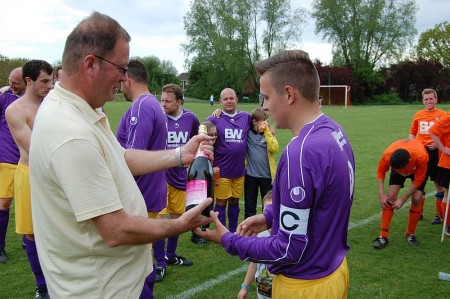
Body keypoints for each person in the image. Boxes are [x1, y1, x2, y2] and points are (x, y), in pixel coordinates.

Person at [28, 12, 213, 299]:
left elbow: (121, 157)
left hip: (120, 280)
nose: (125, 78)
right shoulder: (70, 131)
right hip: (105, 289)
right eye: (120, 67)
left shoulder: (82, 109)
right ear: (91, 64)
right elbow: (115, 230)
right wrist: (178, 224)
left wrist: (181, 155)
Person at [197, 50, 355, 298]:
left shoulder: (300, 151)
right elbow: (318, 203)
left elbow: (288, 248)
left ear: (289, 94)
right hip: (334, 271)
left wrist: (228, 239)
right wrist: (270, 216)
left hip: (304, 285)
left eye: (266, 97)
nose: (264, 106)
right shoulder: (335, 131)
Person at [116, 59, 168, 285]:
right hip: (151, 189)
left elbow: (134, 157)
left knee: (136, 265)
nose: (119, 86)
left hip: (140, 194)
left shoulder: (141, 106)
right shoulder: (152, 103)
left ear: (128, 79)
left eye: (120, 81)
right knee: (142, 258)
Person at [5, 60, 53, 298]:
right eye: (44, 81)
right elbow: (35, 149)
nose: (50, 85)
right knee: (32, 233)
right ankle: (41, 285)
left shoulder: (54, 104)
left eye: (51, 80)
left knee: (58, 228)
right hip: (30, 175)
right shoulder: (16, 110)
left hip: (56, 175)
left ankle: (59, 278)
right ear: (28, 81)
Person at [158, 83, 199, 273]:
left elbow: (196, 141)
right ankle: (158, 262)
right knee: (159, 218)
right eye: (162, 100)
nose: (163, 104)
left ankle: (170, 255)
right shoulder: (157, 117)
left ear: (179, 101)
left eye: (168, 101)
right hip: (159, 174)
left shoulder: (191, 119)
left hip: (180, 176)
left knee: (177, 218)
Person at [206, 88, 251, 233]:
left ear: (236, 99)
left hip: (239, 170)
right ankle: (221, 231)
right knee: (221, 201)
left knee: (235, 200)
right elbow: (202, 133)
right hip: (221, 169)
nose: (229, 101)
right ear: (220, 102)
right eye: (225, 99)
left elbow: (260, 119)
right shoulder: (214, 119)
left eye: (231, 98)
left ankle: (232, 231)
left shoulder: (245, 117)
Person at [373, 139, 428, 249]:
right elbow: (380, 172)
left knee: (416, 199)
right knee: (391, 197)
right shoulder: (388, 155)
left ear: (409, 161)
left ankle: (410, 233)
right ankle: (383, 236)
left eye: (399, 169)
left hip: (417, 170)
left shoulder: (421, 157)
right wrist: (381, 194)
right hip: (400, 163)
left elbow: (418, 180)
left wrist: (403, 199)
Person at [0, 67, 26, 264]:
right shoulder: (4, 99)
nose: (11, 84)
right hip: (7, 160)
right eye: (10, 80)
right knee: (4, 203)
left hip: (30, 162)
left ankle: (30, 240)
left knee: (32, 204)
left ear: (27, 80)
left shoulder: (40, 102)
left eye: (15, 81)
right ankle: (0, 247)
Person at [409, 88, 446, 224]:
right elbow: (412, 133)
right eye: (426, 99)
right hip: (422, 154)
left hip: (437, 153)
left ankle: (439, 214)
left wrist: (438, 144)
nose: (429, 101)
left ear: (436, 99)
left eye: (431, 98)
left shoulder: (443, 115)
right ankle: (419, 211)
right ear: (422, 101)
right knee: (420, 183)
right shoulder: (418, 115)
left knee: (439, 183)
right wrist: (413, 146)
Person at [238, 190, 274, 299]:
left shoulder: (287, 239)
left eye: (272, 212)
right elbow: (254, 263)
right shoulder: (260, 235)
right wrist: (245, 287)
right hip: (263, 292)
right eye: (266, 212)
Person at [244, 107, 278, 218]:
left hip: (267, 176)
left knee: (268, 206)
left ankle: (267, 230)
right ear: (254, 122)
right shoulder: (248, 133)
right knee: (250, 206)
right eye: (265, 121)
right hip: (250, 176)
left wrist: (268, 131)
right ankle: (248, 231)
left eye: (268, 122)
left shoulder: (268, 134)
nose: (267, 124)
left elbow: (274, 148)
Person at [429, 114, 450, 236]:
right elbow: (432, 131)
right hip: (448, 163)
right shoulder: (448, 118)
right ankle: (448, 226)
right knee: (448, 193)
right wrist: (443, 148)